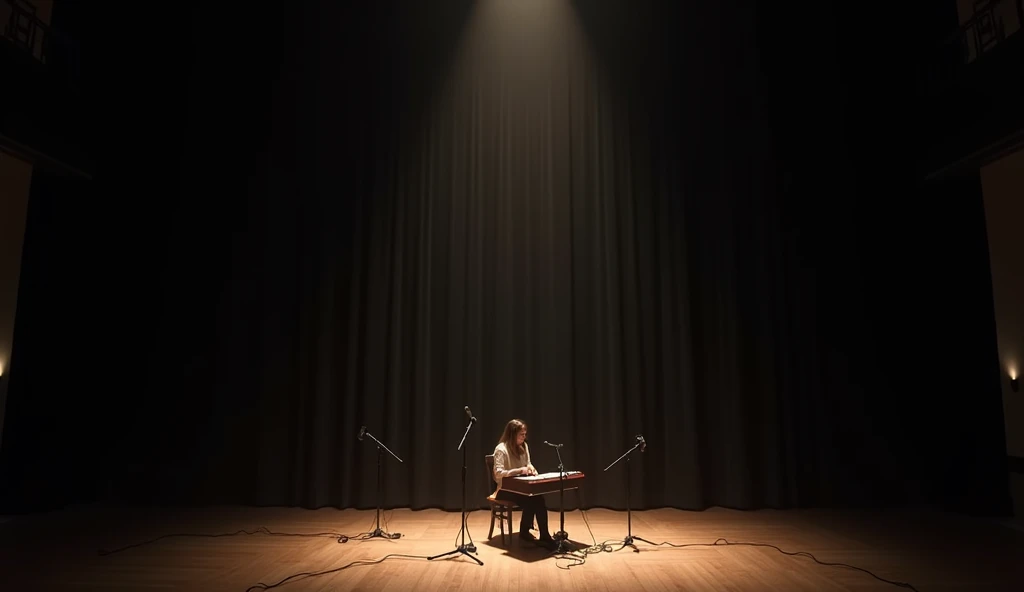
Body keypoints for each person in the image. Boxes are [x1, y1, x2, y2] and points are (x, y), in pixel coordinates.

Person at [492, 419, 555, 549]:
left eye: (525, 434)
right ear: (512, 434)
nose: (524, 437)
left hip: (521, 486)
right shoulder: (501, 449)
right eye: (521, 434)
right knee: (532, 500)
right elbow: (498, 474)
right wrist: (519, 470)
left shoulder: (523, 446)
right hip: (505, 489)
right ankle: (526, 531)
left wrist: (531, 469)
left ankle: (543, 534)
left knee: (538, 497)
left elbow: (528, 463)